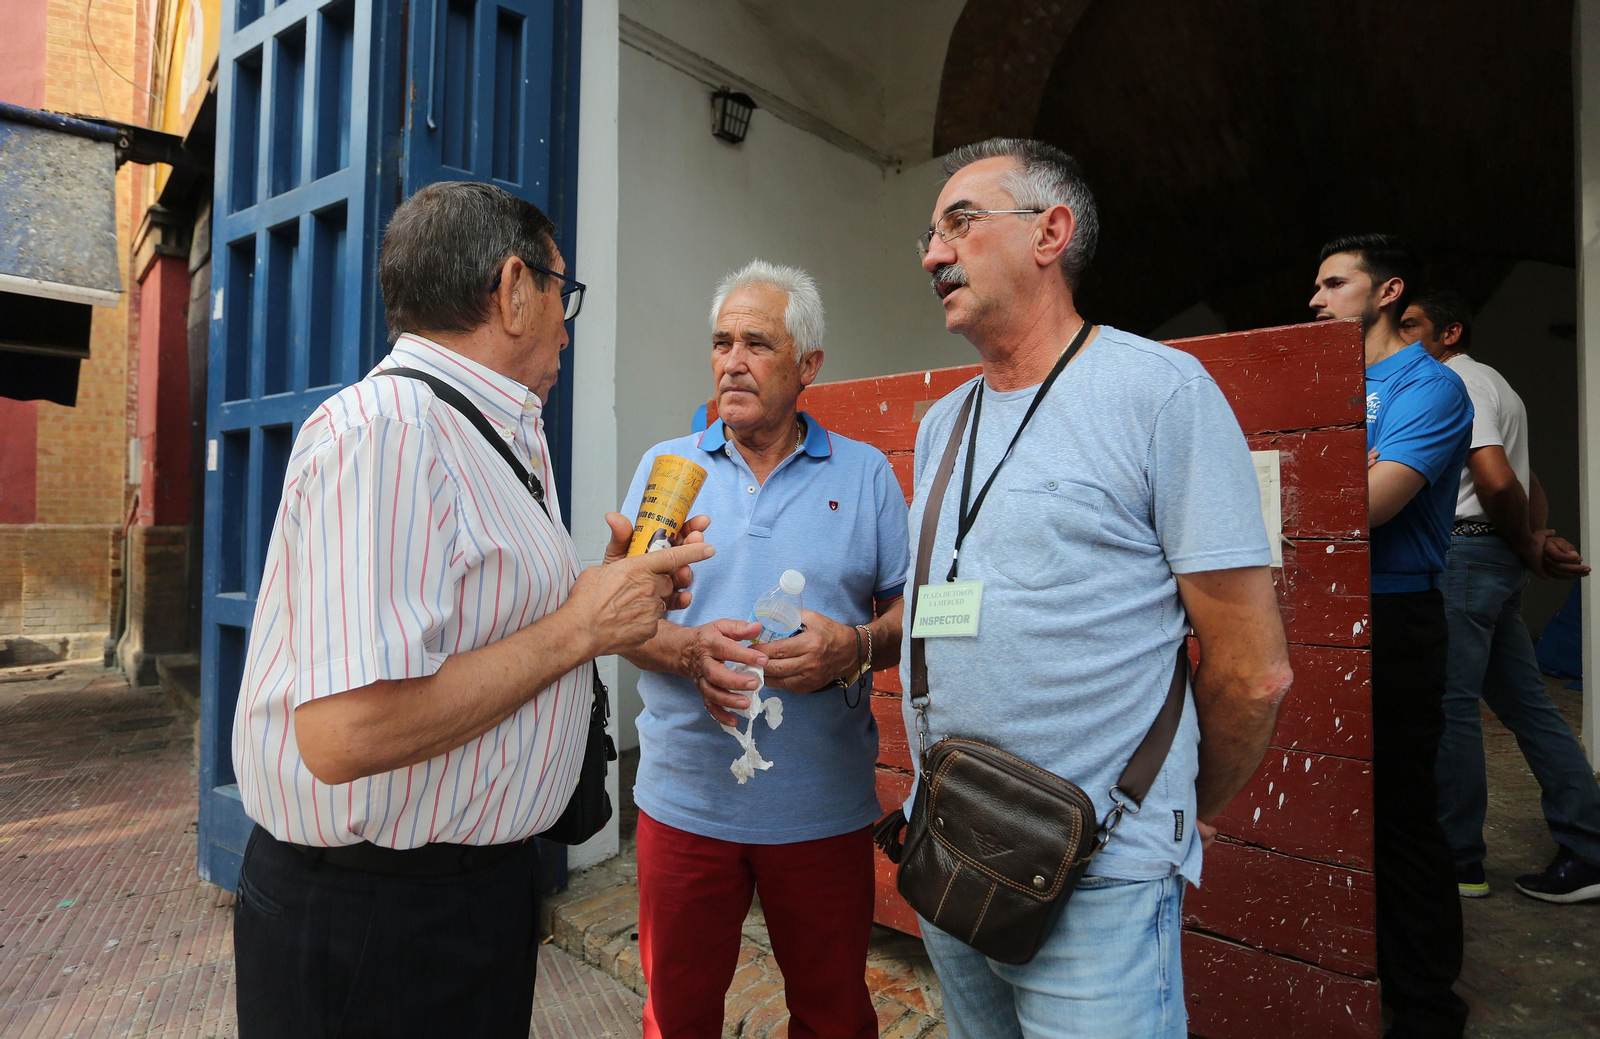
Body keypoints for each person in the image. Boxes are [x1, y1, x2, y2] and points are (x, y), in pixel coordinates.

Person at [228, 181, 714, 1038]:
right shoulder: (391, 431)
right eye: (565, 293)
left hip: (462, 898)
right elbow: (347, 732)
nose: (568, 321)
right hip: (379, 921)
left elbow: (479, 621)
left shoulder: (481, 428)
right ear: (514, 288)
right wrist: (582, 626)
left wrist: (603, 592)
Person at [905, 137, 1292, 1038]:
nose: (932, 253)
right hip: (949, 846)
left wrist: (1153, 821)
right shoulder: (941, 425)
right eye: (928, 234)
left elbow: (1251, 671)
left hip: (1099, 878)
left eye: (959, 223)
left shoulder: (1158, 393)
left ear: (1052, 232)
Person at [618, 260, 909, 1039]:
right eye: (721, 343)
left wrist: (853, 647)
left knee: (833, 1016)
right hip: (685, 803)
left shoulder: (867, 474)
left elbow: (910, 616)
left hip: (821, 810)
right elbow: (621, 618)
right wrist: (685, 651)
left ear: (808, 365)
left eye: (757, 343)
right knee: (677, 1017)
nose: (731, 361)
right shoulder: (666, 470)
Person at [1311, 236, 1473, 1038]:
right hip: (1306, 611)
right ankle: (1333, 972)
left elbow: (1372, 502)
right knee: (1319, 803)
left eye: (1335, 283)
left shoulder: (1430, 386)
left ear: (1387, 292)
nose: (1316, 298)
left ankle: (1425, 1004)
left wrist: (1314, 478)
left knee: (1401, 812)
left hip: (1394, 615)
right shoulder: (1314, 381)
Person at [1399, 291, 1600, 903]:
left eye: (1412, 326)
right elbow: (1526, 477)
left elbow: (1496, 479)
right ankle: (1589, 848)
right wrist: (1532, 539)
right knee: (1529, 706)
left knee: (1451, 708)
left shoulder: (1451, 380)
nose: (1398, 337)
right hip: (1491, 555)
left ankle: (1458, 861)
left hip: (1465, 553)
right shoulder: (1493, 383)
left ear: (1450, 333)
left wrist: (1524, 540)